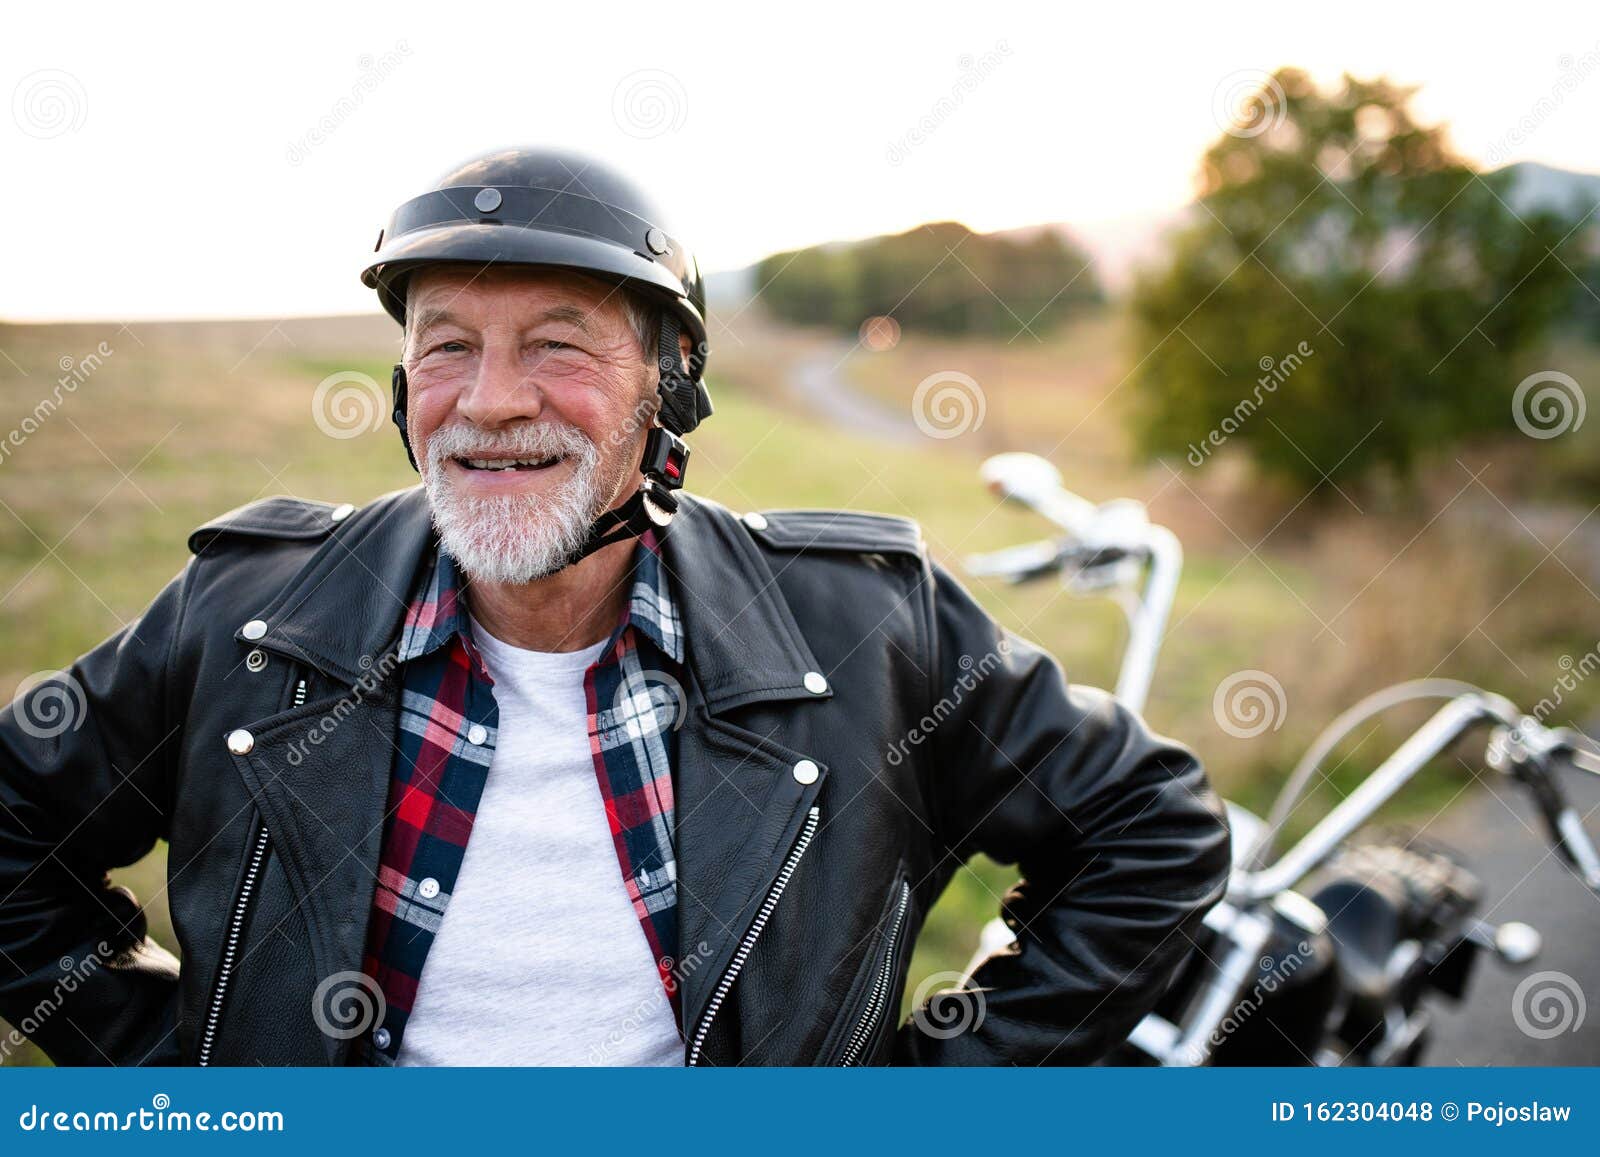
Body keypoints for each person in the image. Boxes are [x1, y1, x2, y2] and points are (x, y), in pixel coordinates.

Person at [0, 147, 1230, 1066]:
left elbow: (1150, 827)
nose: (489, 400)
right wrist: (187, 1085)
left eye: (557, 345)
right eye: (446, 346)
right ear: (399, 386)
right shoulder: (249, 615)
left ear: (666, 393)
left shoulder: (862, 628)